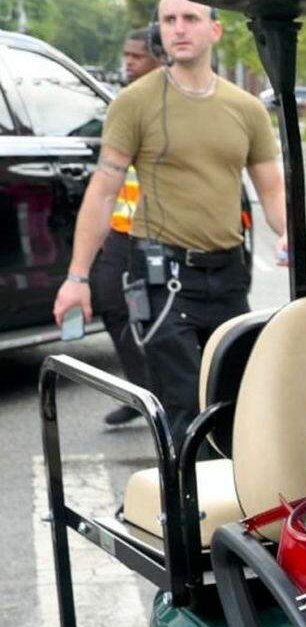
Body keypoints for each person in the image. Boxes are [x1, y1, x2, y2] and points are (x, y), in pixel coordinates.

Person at [53, 0, 287, 445]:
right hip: (166, 279)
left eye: (191, 18)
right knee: (183, 411)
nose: (179, 28)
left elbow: (272, 189)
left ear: (214, 30)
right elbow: (103, 191)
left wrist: (286, 234)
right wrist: (77, 277)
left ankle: (223, 488)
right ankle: (182, 490)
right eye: (169, 20)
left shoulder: (246, 108)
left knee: (233, 406)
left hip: (229, 275)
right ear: (158, 29)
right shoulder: (135, 102)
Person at [91, 27, 164, 428]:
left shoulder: (170, 102)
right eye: (127, 56)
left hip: (161, 230)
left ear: (158, 58)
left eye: (137, 56)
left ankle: (172, 396)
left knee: (163, 315)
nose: (128, 63)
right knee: (111, 300)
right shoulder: (124, 103)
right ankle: (141, 391)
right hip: (122, 227)